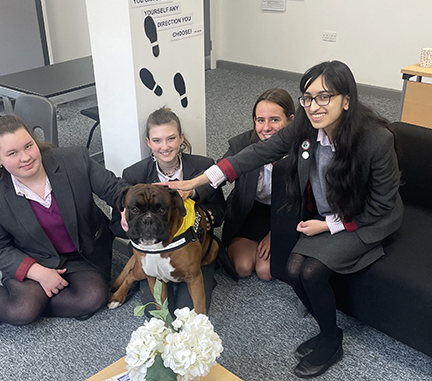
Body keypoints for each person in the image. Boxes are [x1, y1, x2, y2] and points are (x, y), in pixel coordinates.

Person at [159, 61, 403, 378]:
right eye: (308, 97)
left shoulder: (376, 140)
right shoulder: (305, 126)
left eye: (324, 97)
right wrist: (196, 182)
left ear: (346, 99)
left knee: (311, 271)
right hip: (325, 213)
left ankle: (331, 339)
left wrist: (328, 226)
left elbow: (382, 204)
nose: (314, 106)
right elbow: (256, 153)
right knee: (290, 267)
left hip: (364, 218)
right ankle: (328, 330)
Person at [0, 114, 127, 336]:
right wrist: (37, 272)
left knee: (93, 298)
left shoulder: (74, 159)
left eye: (28, 146)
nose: (26, 157)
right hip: (33, 257)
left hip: (83, 253)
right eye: (12, 153)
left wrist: (127, 206)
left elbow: (116, 189)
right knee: (22, 311)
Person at [111, 106, 227, 315]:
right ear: (148, 142)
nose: (164, 146)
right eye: (156, 140)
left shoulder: (204, 166)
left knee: (188, 313)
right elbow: (116, 225)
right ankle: (128, 281)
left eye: (171, 138)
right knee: (156, 315)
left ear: (181, 138)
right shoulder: (133, 174)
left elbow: (221, 209)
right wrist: (124, 219)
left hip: (190, 247)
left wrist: (208, 218)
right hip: (149, 252)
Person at [222, 88, 294, 281]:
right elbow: (218, 174)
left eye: (275, 120)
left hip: (285, 215)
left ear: (291, 120)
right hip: (250, 211)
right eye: (260, 120)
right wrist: (191, 190)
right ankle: (250, 242)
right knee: (242, 267)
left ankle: (267, 241)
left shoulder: (303, 151)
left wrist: (275, 233)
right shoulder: (242, 144)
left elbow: (303, 202)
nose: (266, 127)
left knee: (266, 272)